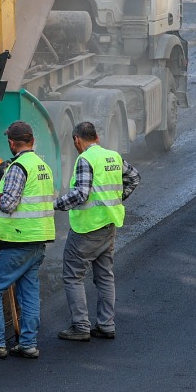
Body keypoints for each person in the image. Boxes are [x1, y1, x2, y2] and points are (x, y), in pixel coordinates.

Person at [0, 121, 57, 360]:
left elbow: (8, 204)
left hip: (16, 241)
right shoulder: (43, 166)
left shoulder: (19, 167)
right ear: (32, 140)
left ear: (11, 143)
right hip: (37, 241)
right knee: (28, 293)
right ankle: (28, 344)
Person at [55, 121, 139, 341]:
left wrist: (56, 205)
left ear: (77, 139)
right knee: (104, 277)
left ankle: (81, 327)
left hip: (87, 228)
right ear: (97, 138)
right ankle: (106, 325)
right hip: (109, 225)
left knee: (73, 276)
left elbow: (81, 194)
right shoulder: (112, 156)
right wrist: (116, 200)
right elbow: (134, 177)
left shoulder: (85, 159)